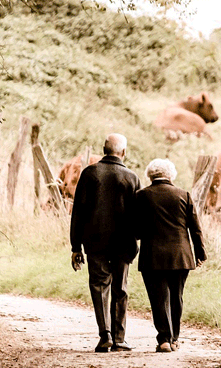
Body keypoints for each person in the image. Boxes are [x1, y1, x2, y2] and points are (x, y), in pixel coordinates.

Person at [69, 133, 141, 353]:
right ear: (124, 152)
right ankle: (120, 339)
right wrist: (136, 239)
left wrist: (75, 247)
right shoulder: (131, 177)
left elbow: (78, 212)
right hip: (124, 243)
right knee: (120, 288)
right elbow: (138, 215)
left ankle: (105, 335)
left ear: (103, 149)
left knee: (99, 287)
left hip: (95, 242)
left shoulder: (90, 173)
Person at [134, 158, 206, 353]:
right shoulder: (184, 195)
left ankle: (164, 339)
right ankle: (174, 338)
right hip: (181, 255)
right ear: (171, 175)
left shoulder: (141, 196)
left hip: (152, 256)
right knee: (177, 296)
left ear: (150, 174)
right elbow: (195, 229)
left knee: (158, 298)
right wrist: (200, 254)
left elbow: (136, 230)